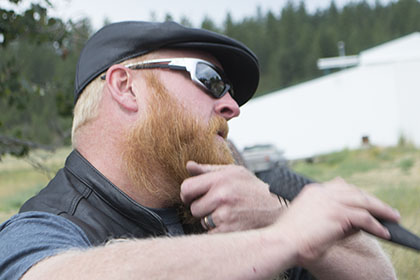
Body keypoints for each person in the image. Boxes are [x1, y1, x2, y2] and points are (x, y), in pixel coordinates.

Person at [0, 21, 398, 280]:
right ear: (125, 87)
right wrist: (282, 240)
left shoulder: (230, 205)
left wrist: (279, 214)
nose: (232, 106)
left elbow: (378, 277)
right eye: (208, 79)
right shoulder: (43, 226)